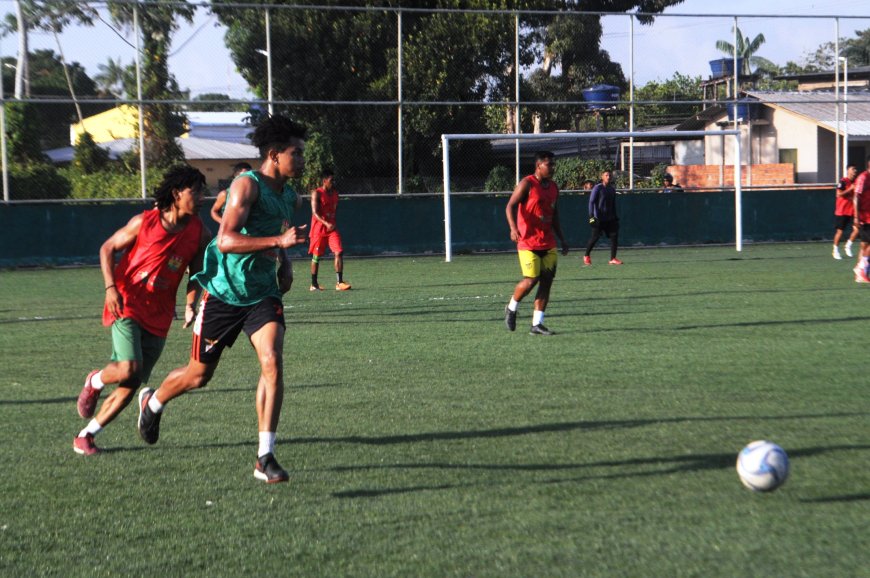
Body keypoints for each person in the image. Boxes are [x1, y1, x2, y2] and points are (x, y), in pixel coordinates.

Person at [136, 115, 309, 484]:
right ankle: (152, 402)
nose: (303, 160)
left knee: (272, 361)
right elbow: (227, 239)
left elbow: (278, 235)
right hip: (225, 293)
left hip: (263, 293)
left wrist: (285, 262)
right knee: (198, 376)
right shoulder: (246, 186)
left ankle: (265, 456)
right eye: (297, 153)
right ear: (275, 154)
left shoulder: (290, 195)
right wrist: (279, 244)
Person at [73, 166, 210, 455]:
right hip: (127, 302)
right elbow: (107, 249)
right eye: (195, 191)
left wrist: (190, 305)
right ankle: (95, 380)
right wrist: (110, 289)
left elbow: (196, 273)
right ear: (176, 194)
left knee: (132, 382)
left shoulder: (199, 233)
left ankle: (85, 436)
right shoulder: (144, 223)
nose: (202, 197)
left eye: (202, 190)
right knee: (129, 368)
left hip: (160, 315)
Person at [503, 150, 569, 336]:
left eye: (553, 164)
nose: (553, 168)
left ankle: (537, 324)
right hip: (528, 242)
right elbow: (510, 206)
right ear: (538, 166)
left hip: (548, 242)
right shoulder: (527, 184)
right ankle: (511, 307)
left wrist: (562, 239)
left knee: (547, 281)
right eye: (549, 165)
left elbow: (554, 215)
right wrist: (513, 228)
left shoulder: (554, 187)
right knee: (531, 279)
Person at [309, 168, 351, 291]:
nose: (334, 182)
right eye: (331, 180)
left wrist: (331, 224)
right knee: (316, 257)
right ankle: (314, 284)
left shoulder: (336, 194)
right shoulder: (316, 193)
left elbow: (334, 210)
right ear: (324, 181)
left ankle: (339, 282)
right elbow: (315, 213)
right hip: (319, 230)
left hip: (332, 229)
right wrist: (326, 223)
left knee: (339, 252)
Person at [584, 169, 622, 266]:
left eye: (609, 175)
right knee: (595, 237)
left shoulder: (612, 189)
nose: (608, 177)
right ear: (602, 177)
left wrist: (615, 216)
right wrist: (591, 217)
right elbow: (591, 202)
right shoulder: (598, 188)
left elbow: (613, 204)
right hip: (598, 219)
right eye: (606, 175)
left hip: (609, 219)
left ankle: (613, 258)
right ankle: (586, 255)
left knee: (614, 236)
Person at [833, 165, 859, 260]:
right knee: (840, 232)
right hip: (842, 210)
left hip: (852, 210)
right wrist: (850, 189)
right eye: (853, 169)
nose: (854, 171)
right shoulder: (843, 181)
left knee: (857, 229)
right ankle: (835, 250)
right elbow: (838, 194)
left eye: (855, 169)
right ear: (848, 170)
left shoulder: (856, 182)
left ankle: (848, 246)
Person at [852, 158, 870, 283]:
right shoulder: (864, 177)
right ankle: (861, 268)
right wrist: (856, 217)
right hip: (865, 217)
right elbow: (856, 197)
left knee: (864, 246)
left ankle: (860, 273)